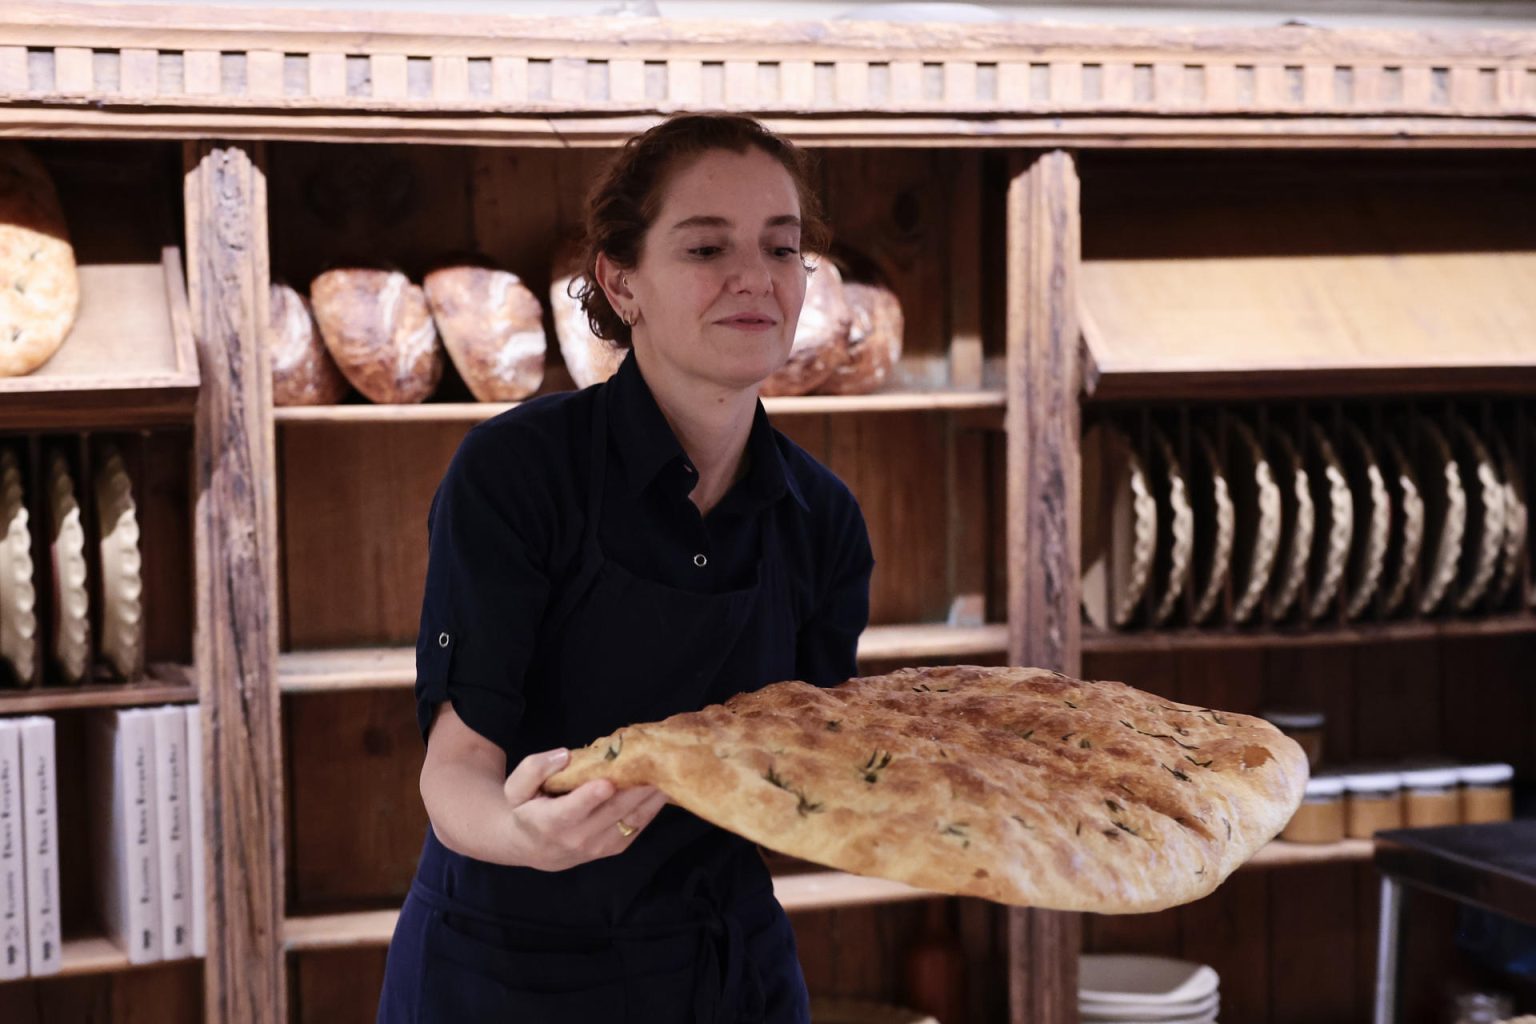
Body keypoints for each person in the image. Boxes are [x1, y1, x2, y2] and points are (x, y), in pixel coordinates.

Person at [376, 113, 876, 1024]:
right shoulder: (517, 473)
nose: (753, 278)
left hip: (726, 969)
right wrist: (525, 834)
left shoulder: (825, 521)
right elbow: (455, 774)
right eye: (704, 247)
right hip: (511, 969)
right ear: (622, 280)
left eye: (781, 246)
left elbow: (809, 776)